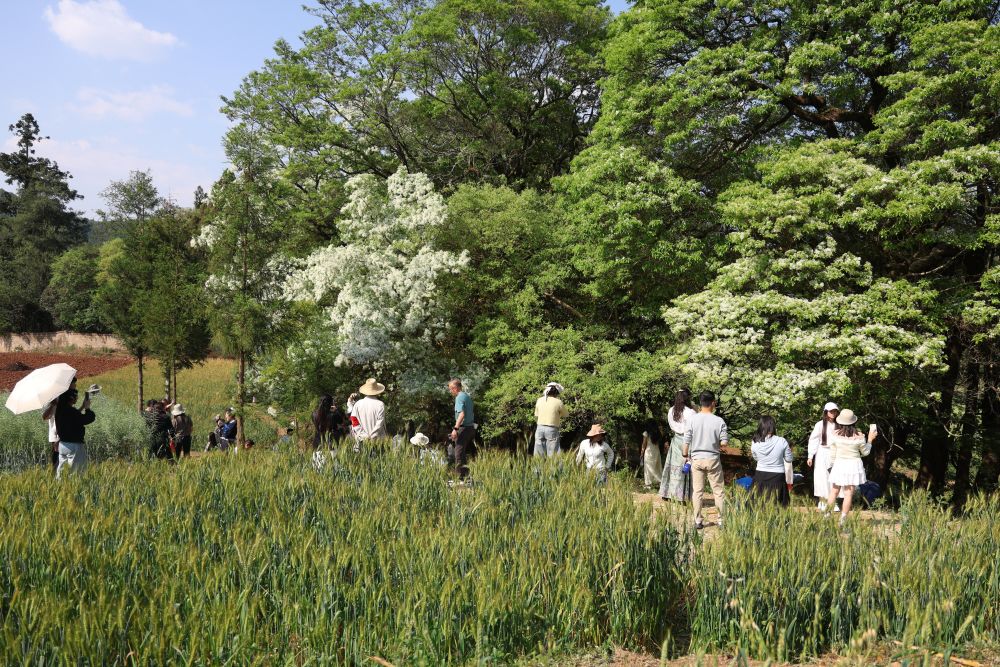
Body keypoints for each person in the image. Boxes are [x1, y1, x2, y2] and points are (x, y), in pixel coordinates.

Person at [683, 391, 728, 529]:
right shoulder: (719, 421)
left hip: (697, 459)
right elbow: (724, 443)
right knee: (718, 491)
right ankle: (721, 520)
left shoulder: (692, 420)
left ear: (700, 403)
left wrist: (685, 454)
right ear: (713, 402)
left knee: (697, 492)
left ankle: (698, 521)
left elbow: (686, 440)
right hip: (713, 459)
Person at [824, 409, 876, 526]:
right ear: (853, 422)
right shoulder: (859, 436)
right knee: (848, 494)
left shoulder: (835, 435)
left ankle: (827, 515)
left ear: (840, 421)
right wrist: (870, 440)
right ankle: (843, 519)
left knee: (834, 491)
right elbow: (865, 452)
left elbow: (832, 453)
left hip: (839, 464)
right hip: (853, 465)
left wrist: (831, 466)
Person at [750, 415, 794, 507]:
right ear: (773, 426)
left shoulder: (755, 441)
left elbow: (756, 458)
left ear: (761, 425)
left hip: (760, 475)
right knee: (777, 506)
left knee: (758, 505)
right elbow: (789, 459)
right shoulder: (782, 441)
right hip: (778, 477)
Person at [54, 384, 95, 479]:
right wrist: (87, 408)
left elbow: (73, 418)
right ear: (71, 398)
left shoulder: (60, 410)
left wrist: (82, 407)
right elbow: (87, 419)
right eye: (76, 396)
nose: (77, 398)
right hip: (74, 446)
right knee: (76, 473)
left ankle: (60, 486)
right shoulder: (71, 411)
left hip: (63, 445)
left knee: (62, 473)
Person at [660, 390, 695, 501]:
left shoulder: (671, 410)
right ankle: (683, 496)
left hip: (676, 439)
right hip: (687, 441)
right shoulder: (690, 412)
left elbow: (671, 425)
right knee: (685, 466)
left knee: (673, 467)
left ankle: (668, 493)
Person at [807, 402, 843, 511]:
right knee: (821, 477)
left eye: (835, 411)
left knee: (835, 477)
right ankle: (822, 501)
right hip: (822, 452)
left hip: (836, 453)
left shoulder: (839, 425)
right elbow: (813, 440)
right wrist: (810, 456)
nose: (833, 413)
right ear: (826, 412)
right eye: (831, 411)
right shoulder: (819, 424)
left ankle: (833, 502)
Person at [448, 378, 476, 479]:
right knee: (464, 453)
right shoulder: (466, 396)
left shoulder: (459, 397)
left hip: (464, 428)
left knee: (458, 453)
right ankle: (466, 476)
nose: (450, 391)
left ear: (455, 388)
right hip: (471, 428)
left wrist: (455, 429)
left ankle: (460, 478)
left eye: (450, 389)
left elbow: (462, 414)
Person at [533, 382, 569, 457]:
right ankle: (552, 465)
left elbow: (536, 414)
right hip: (552, 429)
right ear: (556, 392)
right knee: (553, 454)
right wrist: (558, 414)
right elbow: (566, 414)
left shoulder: (539, 400)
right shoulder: (558, 402)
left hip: (539, 428)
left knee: (539, 455)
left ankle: (538, 465)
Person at [352, 379, 388, 446]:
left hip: (361, 440)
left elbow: (354, 421)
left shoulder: (357, 404)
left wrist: (364, 435)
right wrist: (372, 436)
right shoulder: (380, 404)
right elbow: (380, 423)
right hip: (378, 441)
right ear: (377, 391)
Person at [639, 420, 663, 489]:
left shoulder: (646, 433)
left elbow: (644, 444)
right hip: (656, 451)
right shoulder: (658, 433)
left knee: (648, 467)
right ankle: (659, 482)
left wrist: (642, 453)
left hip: (649, 451)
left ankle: (648, 484)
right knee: (657, 466)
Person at [42, 398, 60, 474]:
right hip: (55, 438)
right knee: (56, 460)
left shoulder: (66, 400)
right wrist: (52, 405)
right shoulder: (51, 400)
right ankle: (54, 476)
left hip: (65, 436)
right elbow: (45, 417)